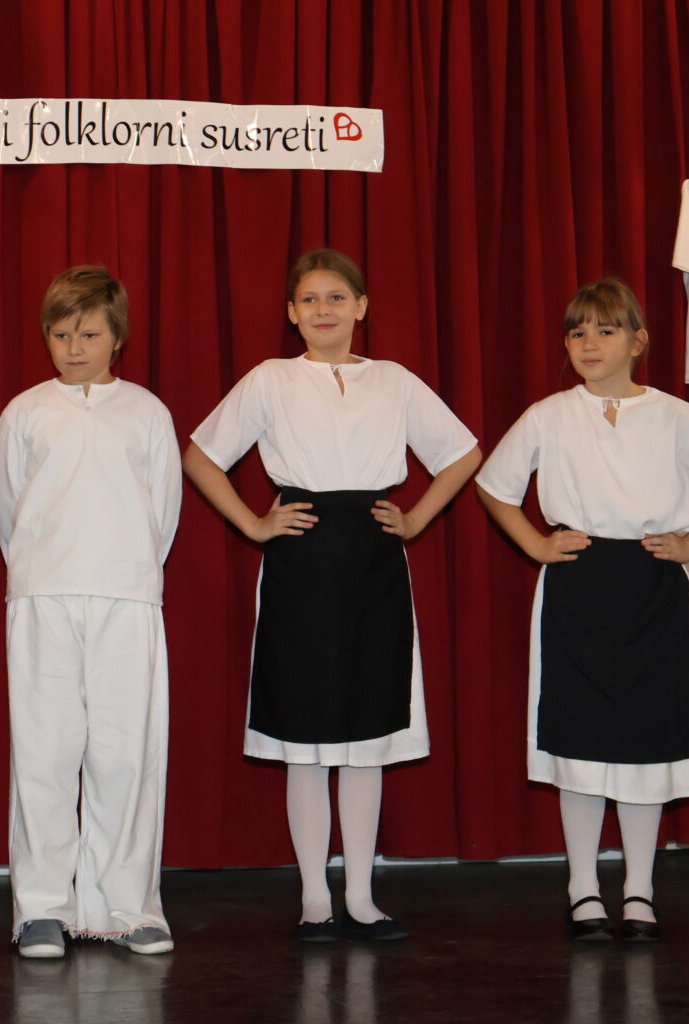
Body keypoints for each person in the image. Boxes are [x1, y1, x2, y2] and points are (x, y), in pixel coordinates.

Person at [183, 249, 480, 941]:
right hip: (302, 563)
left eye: (337, 297)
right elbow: (201, 455)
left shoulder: (394, 381)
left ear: (361, 307)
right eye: (310, 299)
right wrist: (255, 523)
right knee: (306, 738)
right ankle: (315, 897)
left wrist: (416, 518)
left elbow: (462, 452)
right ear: (291, 312)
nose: (324, 310)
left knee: (368, 736)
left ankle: (362, 896)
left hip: (374, 563)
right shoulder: (271, 379)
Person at [475, 277, 689, 942]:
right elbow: (495, 485)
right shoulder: (549, 415)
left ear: (638, 341)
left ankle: (638, 891)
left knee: (644, 748)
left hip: (653, 590)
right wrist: (537, 544)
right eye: (578, 332)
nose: (590, 343)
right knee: (580, 743)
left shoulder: (673, 416)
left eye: (605, 330)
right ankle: (582, 890)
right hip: (578, 587)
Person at [0, 266, 182, 959]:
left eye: (90, 334)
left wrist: (129, 572)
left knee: (125, 754)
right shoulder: (24, 413)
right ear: (46, 337)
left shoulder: (147, 413)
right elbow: (9, 509)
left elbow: (163, 512)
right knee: (44, 752)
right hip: (43, 595)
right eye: (62, 334)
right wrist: (41, 569)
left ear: (116, 338)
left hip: (127, 597)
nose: (75, 348)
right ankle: (41, 908)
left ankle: (128, 906)